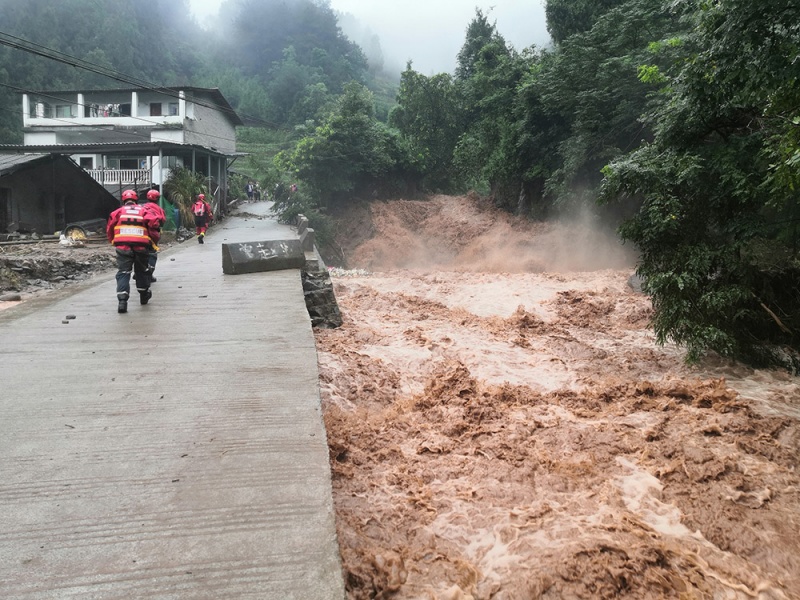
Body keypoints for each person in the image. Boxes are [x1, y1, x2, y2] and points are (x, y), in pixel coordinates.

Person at [106, 190, 161, 313]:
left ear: (123, 200)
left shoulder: (118, 212)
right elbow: (154, 223)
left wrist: (113, 241)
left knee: (123, 272)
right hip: (141, 246)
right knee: (141, 271)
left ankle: (122, 301)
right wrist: (153, 240)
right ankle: (144, 295)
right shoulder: (143, 210)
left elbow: (110, 228)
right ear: (136, 200)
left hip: (123, 247)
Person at [142, 189, 167, 283]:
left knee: (141, 253)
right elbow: (162, 222)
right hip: (152, 235)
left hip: (140, 234)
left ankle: (139, 271)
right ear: (157, 198)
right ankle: (150, 273)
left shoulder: (142, 207)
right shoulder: (159, 209)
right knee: (152, 253)